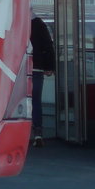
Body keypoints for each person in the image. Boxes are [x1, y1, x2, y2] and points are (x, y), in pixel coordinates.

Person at [29, 12, 56, 147]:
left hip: (17, 70)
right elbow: (48, 46)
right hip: (36, 68)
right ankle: (38, 133)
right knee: (35, 101)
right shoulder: (39, 24)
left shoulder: (15, 22)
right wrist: (49, 66)